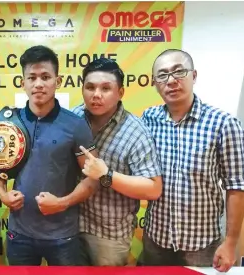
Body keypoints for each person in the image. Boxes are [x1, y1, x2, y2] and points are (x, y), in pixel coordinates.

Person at [0, 45, 99, 266]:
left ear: (57, 82)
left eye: (45, 77)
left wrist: (62, 202)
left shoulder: (75, 125)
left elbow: (93, 177)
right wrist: (2, 193)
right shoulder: (9, 123)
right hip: (19, 234)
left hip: (63, 236)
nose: (38, 84)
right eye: (32, 77)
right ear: (23, 83)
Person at [141, 49, 244, 273]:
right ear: (154, 82)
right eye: (162, 75)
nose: (171, 81)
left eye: (179, 72)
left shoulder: (224, 124)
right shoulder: (148, 119)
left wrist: (230, 243)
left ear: (194, 76)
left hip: (202, 246)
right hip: (155, 240)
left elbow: (236, 187)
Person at [71, 58, 162, 266]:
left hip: (109, 236)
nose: (96, 95)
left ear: (120, 92)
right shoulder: (73, 118)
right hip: (70, 225)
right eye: (90, 87)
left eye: (106, 88)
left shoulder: (136, 132)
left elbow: (153, 189)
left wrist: (107, 174)